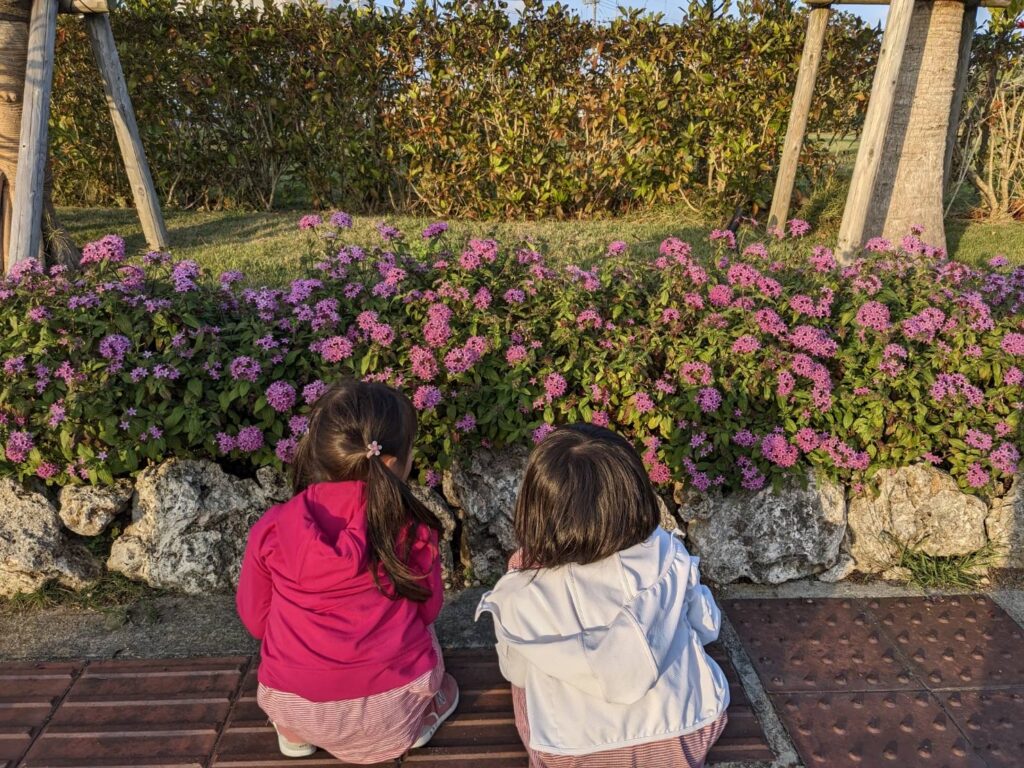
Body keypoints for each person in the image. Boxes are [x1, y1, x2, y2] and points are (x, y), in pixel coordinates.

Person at [476, 424, 729, 768]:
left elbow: (515, 670)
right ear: (634, 495)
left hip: (567, 750)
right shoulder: (665, 552)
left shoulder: (523, 579)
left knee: (527, 677)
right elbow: (706, 626)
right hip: (688, 729)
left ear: (535, 509)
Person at [236, 380, 458, 762]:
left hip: (294, 702)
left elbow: (258, 622)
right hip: (389, 707)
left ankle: (294, 735)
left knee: (285, 655)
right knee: (431, 645)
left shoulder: (274, 527)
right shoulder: (411, 529)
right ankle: (419, 721)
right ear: (390, 463)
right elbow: (427, 612)